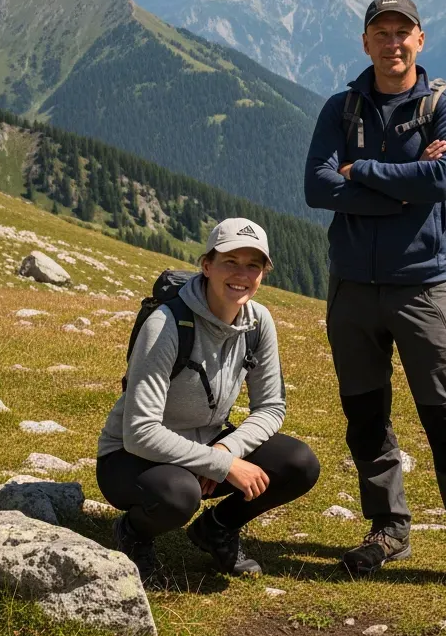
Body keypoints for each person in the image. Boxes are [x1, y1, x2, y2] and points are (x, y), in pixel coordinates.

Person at [303, 0, 446, 606]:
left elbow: (442, 182)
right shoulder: (341, 108)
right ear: (366, 42)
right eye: (381, 33)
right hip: (351, 288)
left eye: (403, 32)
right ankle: (388, 529)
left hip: (421, 287)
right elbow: (316, 187)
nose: (392, 43)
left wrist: (359, 171)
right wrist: (403, 184)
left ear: (421, 39)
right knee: (365, 416)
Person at [95, 218, 320, 582]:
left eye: (253, 265)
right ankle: (133, 534)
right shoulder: (166, 324)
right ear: (207, 265)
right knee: (178, 494)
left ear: (263, 274)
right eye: (230, 261)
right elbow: (139, 432)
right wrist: (220, 464)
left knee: (299, 463)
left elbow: (271, 406)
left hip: (210, 442)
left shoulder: (258, 322)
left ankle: (216, 528)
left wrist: (226, 450)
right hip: (131, 456)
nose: (242, 275)